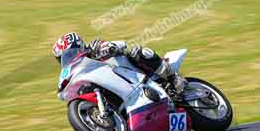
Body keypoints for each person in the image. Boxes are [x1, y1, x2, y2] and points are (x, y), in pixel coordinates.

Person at [51, 32, 188, 94]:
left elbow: (121, 44)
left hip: (136, 74)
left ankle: (173, 78)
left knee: (137, 52)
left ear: (80, 46)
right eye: (63, 58)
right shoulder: (80, 72)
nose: (68, 59)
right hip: (123, 87)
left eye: (70, 54)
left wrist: (110, 48)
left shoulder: (94, 47)